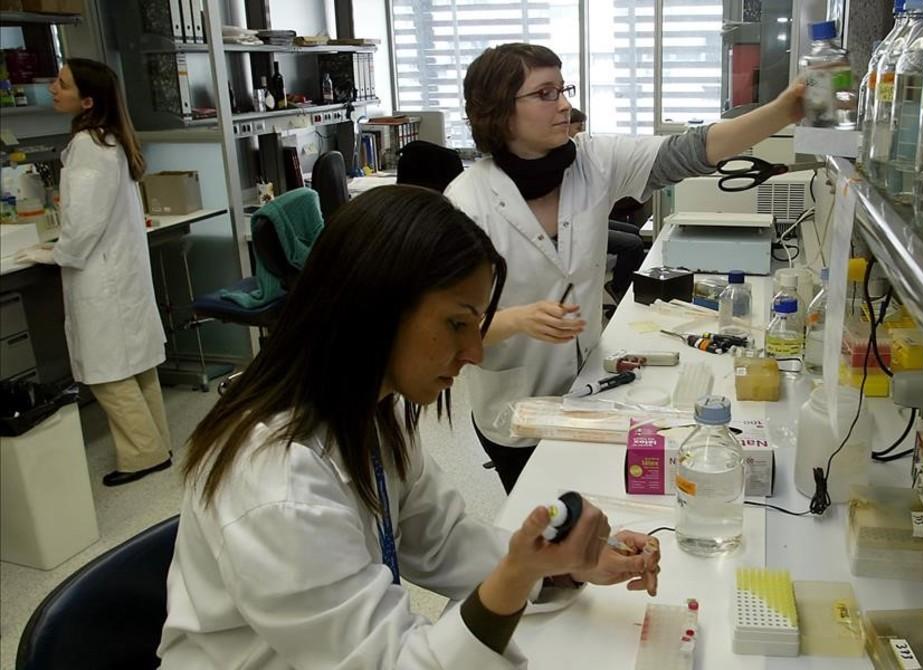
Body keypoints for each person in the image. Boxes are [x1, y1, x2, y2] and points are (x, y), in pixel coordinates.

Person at [157, 186, 661, 669]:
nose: (476, 353)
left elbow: (441, 539)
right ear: (373, 309)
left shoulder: (371, 408)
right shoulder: (276, 482)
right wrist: (515, 575)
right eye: (457, 323)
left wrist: (565, 561)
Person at [444, 43, 806, 493]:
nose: (565, 105)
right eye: (545, 94)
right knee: (539, 518)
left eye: (563, 89)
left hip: (592, 382)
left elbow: (692, 151)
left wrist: (784, 110)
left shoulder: (593, 161)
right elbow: (444, 329)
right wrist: (517, 320)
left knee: (592, 508)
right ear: (499, 111)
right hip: (515, 404)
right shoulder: (465, 202)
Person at [14, 59, 171, 487]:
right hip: (122, 272)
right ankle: (158, 443)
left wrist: (51, 253)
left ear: (87, 100)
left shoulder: (87, 145)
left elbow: (81, 228)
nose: (51, 88)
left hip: (102, 278)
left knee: (107, 372)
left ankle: (144, 456)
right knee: (137, 366)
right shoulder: (112, 140)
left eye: (61, 84)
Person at [564, 109, 647, 304]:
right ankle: (618, 287)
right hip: (574, 226)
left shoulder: (583, 153)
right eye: (578, 127)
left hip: (585, 217)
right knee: (632, 244)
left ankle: (626, 282)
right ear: (565, 127)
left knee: (635, 231)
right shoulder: (561, 158)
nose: (582, 133)